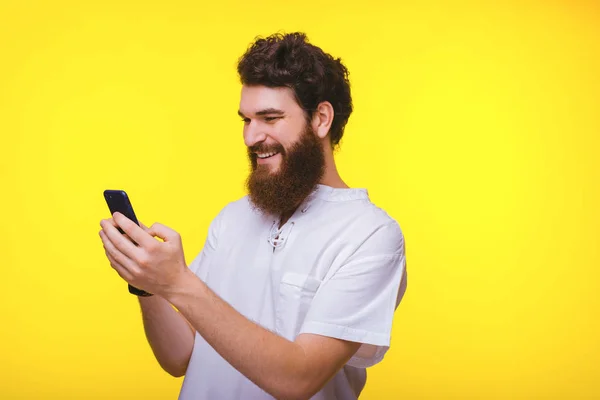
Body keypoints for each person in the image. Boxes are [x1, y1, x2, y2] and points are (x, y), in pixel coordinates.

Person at [99, 32, 408, 400]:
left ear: (322, 118)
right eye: (246, 119)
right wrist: (149, 284)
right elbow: (178, 356)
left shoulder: (371, 236)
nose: (250, 136)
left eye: (270, 118)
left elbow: (299, 379)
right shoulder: (232, 219)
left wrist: (178, 283)